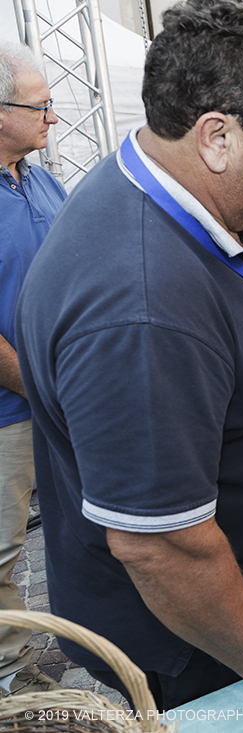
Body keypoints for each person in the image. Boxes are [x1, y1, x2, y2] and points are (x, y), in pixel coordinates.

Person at [16, 0, 243, 717]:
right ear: (217, 137)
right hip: (193, 646)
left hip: (212, 619)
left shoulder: (176, 190)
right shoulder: (144, 305)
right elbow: (162, 548)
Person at [0, 40, 65, 699]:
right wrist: (41, 388)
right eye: (40, 104)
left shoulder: (45, 179)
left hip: (63, 399)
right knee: (0, 549)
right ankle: (10, 671)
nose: (54, 114)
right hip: (12, 412)